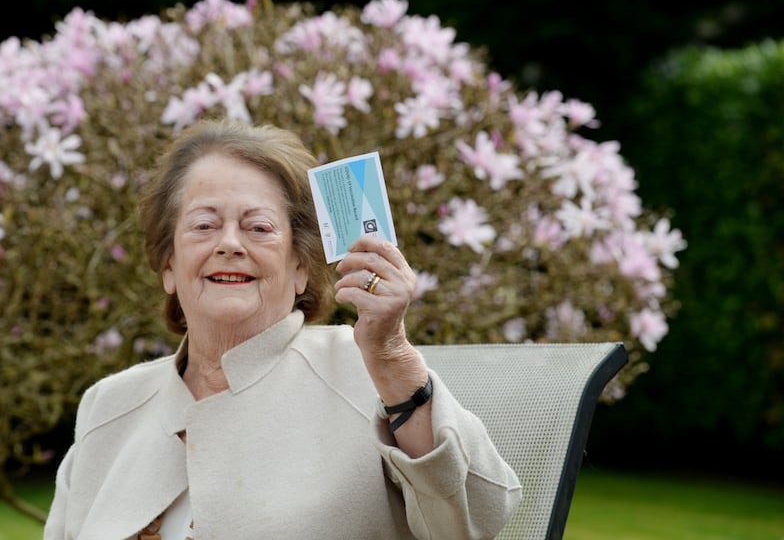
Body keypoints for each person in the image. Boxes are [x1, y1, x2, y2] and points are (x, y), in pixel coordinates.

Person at [43, 118, 522, 539]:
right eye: (204, 225)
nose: (229, 243)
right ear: (168, 265)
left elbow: (474, 520)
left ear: (299, 268)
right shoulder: (109, 404)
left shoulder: (366, 369)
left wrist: (393, 353)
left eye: (259, 228)